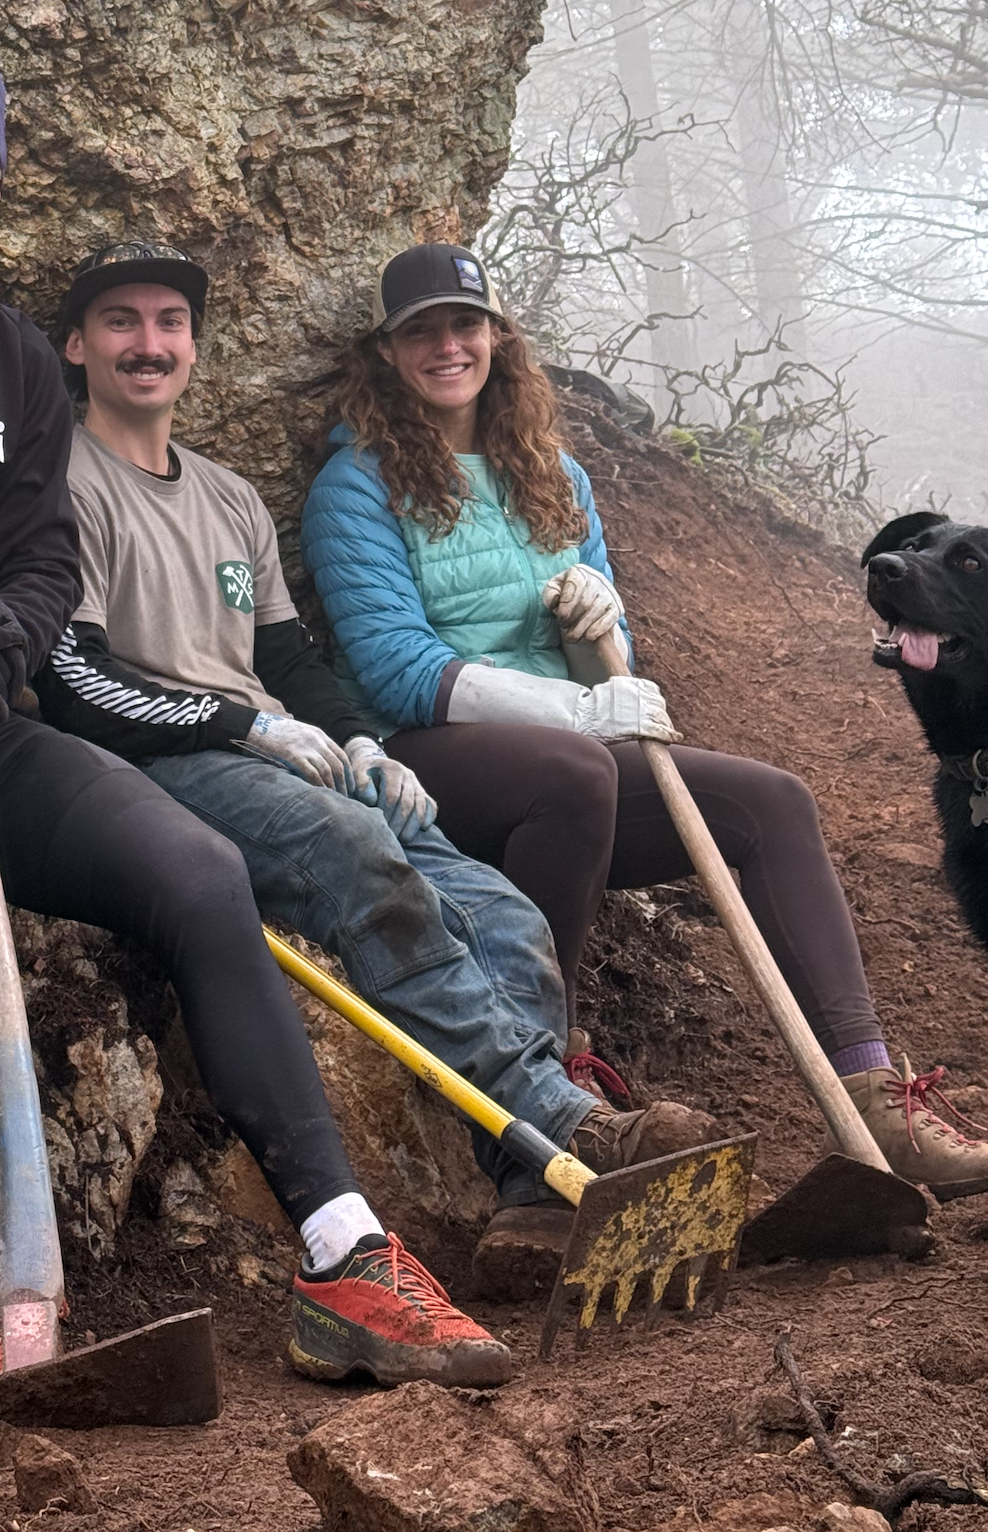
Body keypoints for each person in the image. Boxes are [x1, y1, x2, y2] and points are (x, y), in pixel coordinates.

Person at [0, 27, 515, 1396]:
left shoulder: (17, 360)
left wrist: (6, 626)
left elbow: (41, 555)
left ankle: (342, 1248)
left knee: (197, 868)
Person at [35, 240, 716, 1289]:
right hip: (162, 761)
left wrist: (353, 736)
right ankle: (557, 1120)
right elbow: (72, 677)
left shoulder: (226, 498)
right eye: (120, 322)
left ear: (194, 348)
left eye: (169, 323)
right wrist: (240, 728)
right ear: (77, 346)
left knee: (500, 911)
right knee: (356, 848)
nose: (148, 343)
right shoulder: (58, 486)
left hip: (291, 753)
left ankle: (533, 1201)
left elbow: (286, 658)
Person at [300, 241, 988, 1198]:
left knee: (772, 802)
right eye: (422, 331)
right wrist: (579, 705)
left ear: (499, 337)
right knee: (572, 772)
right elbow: (398, 670)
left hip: (564, 763)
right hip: (428, 767)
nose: (447, 346)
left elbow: (608, 652)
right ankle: (544, 1095)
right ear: (389, 351)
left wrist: (593, 626)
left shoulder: (554, 475)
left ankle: (874, 1098)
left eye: (467, 324)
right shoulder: (356, 488)